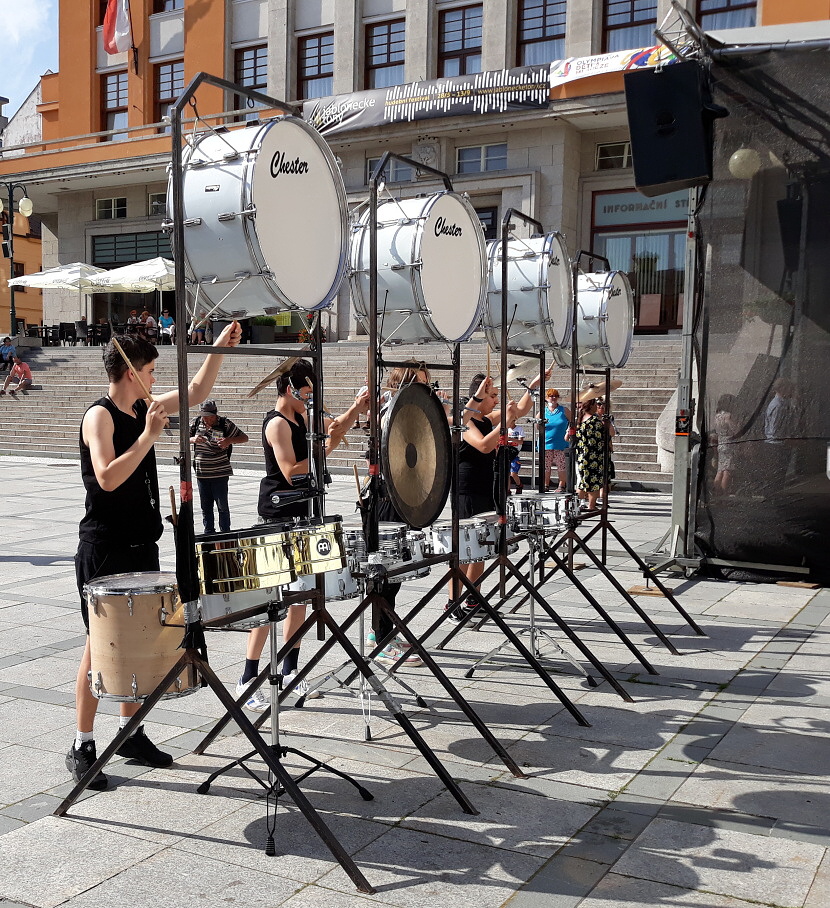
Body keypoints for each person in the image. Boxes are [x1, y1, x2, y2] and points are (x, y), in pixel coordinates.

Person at [68, 321, 242, 790]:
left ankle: (131, 733)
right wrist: (147, 437)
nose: (154, 378)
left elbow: (196, 390)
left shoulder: (144, 407)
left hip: (141, 543)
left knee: (139, 644)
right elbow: (106, 477)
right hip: (105, 547)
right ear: (131, 372)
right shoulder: (100, 417)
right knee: (98, 647)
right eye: (149, 371)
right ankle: (83, 744)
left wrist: (217, 348)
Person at [236, 360, 370, 711]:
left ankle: (290, 668)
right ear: (289, 390)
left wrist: (357, 408)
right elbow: (292, 470)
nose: (310, 399)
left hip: (304, 514)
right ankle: (248, 676)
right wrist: (324, 449)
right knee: (271, 598)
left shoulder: (303, 417)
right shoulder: (277, 424)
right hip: (278, 515)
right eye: (306, 393)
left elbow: (334, 428)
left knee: (301, 598)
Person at [447, 371, 541, 622]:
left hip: (485, 486)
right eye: (492, 396)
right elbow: (484, 445)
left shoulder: (487, 419)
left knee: (481, 545)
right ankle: (452, 602)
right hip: (466, 489)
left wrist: (532, 387)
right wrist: (505, 424)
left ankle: (473, 598)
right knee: (464, 548)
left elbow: (520, 410)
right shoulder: (466, 422)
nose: (496, 400)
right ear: (479, 396)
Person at [190, 399, 249, 534]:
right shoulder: (196, 422)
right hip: (202, 474)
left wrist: (229, 440)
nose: (206, 419)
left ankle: (225, 532)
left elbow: (244, 437)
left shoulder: (224, 423)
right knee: (206, 507)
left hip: (220, 473)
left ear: (215, 414)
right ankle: (209, 532)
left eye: (209, 417)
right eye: (204, 416)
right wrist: (193, 439)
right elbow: (182, 439)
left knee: (222, 506)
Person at [575, 398, 606, 511]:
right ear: (591, 406)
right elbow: (602, 437)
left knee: (583, 481)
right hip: (593, 455)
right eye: (596, 405)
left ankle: (577, 504)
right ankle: (591, 506)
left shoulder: (579, 419)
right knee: (594, 481)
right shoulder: (594, 421)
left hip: (581, 455)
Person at [543, 388, 571, 493]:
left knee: (561, 464)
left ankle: (561, 485)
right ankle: (545, 484)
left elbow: (573, 421)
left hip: (561, 443)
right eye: (551, 396)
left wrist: (568, 431)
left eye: (555, 396)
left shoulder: (564, 410)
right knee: (546, 465)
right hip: (546, 442)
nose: (553, 398)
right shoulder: (543, 411)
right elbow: (537, 426)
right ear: (546, 398)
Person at [713, 393, 737, 495]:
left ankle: (717, 492)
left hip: (720, 443)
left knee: (720, 470)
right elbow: (734, 429)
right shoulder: (728, 416)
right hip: (729, 444)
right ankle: (724, 492)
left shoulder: (717, 416)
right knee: (727, 470)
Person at [595, 398, 617, 505]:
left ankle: (603, 499)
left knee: (605, 475)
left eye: (604, 404)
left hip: (605, 450)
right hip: (593, 449)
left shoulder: (609, 418)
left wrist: (608, 422)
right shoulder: (592, 417)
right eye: (599, 404)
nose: (601, 406)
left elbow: (612, 433)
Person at [507, 422, 525, 495]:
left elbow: (520, 442)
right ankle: (508, 489)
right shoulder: (506, 429)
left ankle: (519, 484)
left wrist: (510, 439)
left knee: (513, 473)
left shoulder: (519, 429)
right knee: (507, 473)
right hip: (507, 451)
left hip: (514, 452)